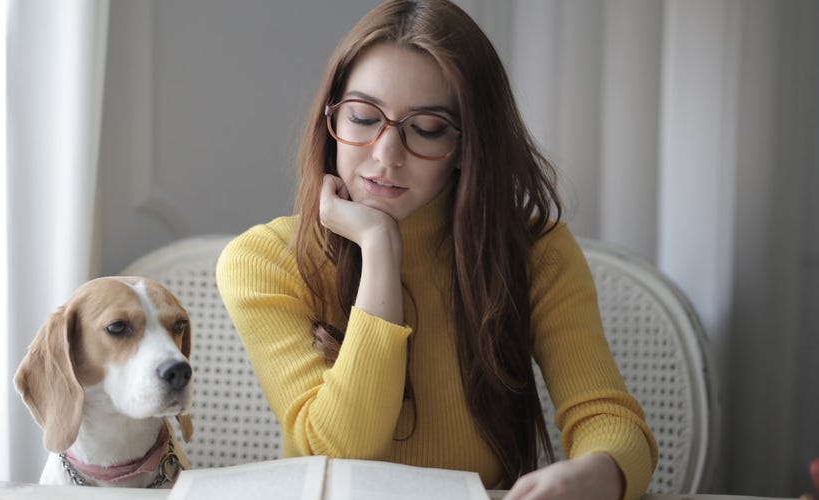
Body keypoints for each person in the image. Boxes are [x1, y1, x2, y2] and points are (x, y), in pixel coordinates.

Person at [216, 1, 657, 499]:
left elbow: (608, 418)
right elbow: (338, 450)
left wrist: (596, 474)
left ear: (469, 145)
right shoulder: (264, 261)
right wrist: (381, 249)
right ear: (331, 117)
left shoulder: (536, 252)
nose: (386, 156)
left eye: (425, 129)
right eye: (362, 118)